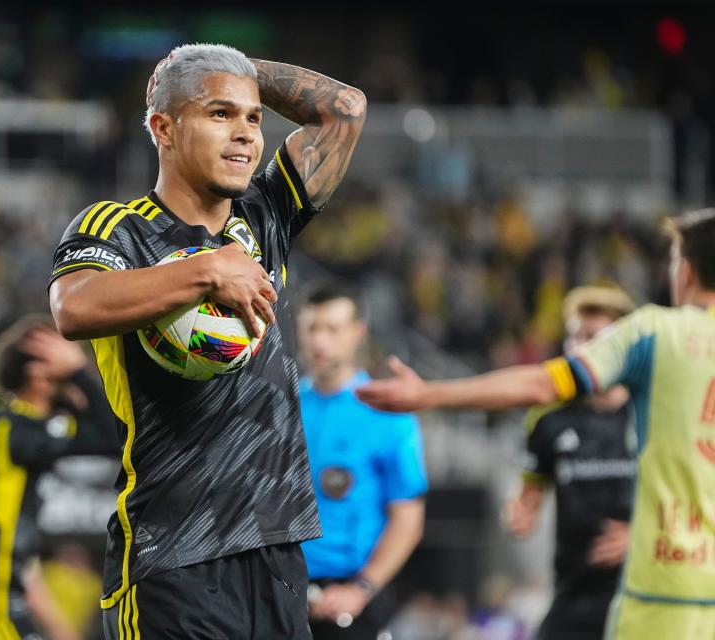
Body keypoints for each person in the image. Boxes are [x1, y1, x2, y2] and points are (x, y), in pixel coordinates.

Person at [48, 43, 366, 639]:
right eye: (220, 114)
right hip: (174, 552)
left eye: (253, 118)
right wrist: (207, 271)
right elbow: (74, 307)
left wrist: (237, 67)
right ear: (163, 127)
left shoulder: (266, 214)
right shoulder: (117, 228)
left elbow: (345, 109)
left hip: (277, 549)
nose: (246, 134)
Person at [355, 208, 715, 640]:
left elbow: (543, 383)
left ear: (687, 269)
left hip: (661, 589)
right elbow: (532, 484)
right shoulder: (554, 425)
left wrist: (429, 394)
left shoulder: (654, 331)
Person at [0, 316, 118, 640]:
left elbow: (16, 553)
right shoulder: (20, 435)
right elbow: (112, 436)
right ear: (39, 376)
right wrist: (79, 373)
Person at [503, 285, 637, 640]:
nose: (579, 348)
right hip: (573, 592)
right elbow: (530, 493)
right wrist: (521, 511)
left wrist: (640, 537)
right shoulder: (548, 419)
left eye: (592, 337)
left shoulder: (654, 412)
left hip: (642, 592)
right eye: (574, 337)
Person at [296, 280, 426, 639]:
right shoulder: (280, 407)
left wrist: (362, 588)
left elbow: (408, 517)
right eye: (312, 327)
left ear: (358, 333)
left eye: (332, 329)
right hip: (285, 595)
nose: (320, 340)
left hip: (353, 603)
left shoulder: (388, 412)